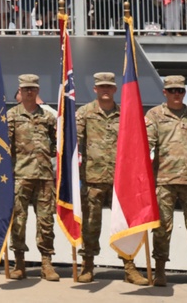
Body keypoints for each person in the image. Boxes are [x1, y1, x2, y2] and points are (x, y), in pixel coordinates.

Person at [74, 72, 148, 285]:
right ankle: (87, 265)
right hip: (93, 179)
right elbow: (74, 142)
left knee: (126, 224)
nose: (105, 90)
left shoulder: (126, 113)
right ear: (95, 89)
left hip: (121, 181)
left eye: (109, 86)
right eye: (101, 86)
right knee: (90, 225)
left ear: (115, 90)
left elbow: (136, 142)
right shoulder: (84, 113)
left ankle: (129, 267)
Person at [144, 75, 187, 286]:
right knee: (162, 229)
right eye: (173, 90)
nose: (177, 94)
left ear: (184, 92)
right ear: (165, 92)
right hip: (164, 180)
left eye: (180, 91)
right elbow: (146, 144)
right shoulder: (155, 115)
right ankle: (160, 271)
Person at [6, 74, 59, 281]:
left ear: (37, 91)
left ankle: (46, 263)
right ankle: (19, 262)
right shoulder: (11, 116)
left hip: (45, 177)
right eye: (26, 88)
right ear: (20, 91)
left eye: (33, 88)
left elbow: (56, 144)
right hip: (20, 176)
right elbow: (4, 148)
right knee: (19, 221)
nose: (29, 92)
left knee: (46, 222)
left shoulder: (48, 117)